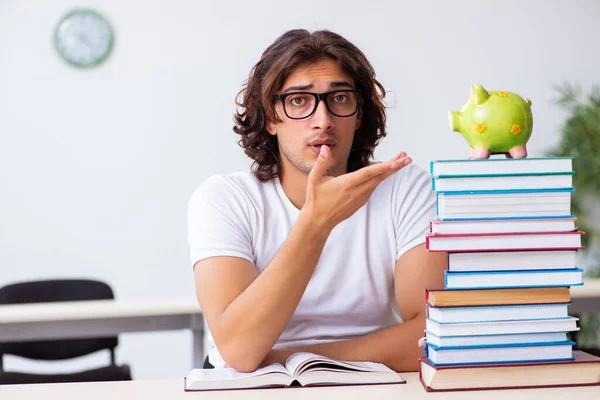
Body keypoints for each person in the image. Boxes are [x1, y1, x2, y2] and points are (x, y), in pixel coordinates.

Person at [187, 29, 447, 373]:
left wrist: (297, 358)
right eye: (298, 100)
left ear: (358, 114)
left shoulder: (406, 188)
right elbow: (239, 349)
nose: (323, 121)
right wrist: (316, 223)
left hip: (368, 379)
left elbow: (433, 335)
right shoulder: (224, 199)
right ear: (269, 118)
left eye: (339, 98)